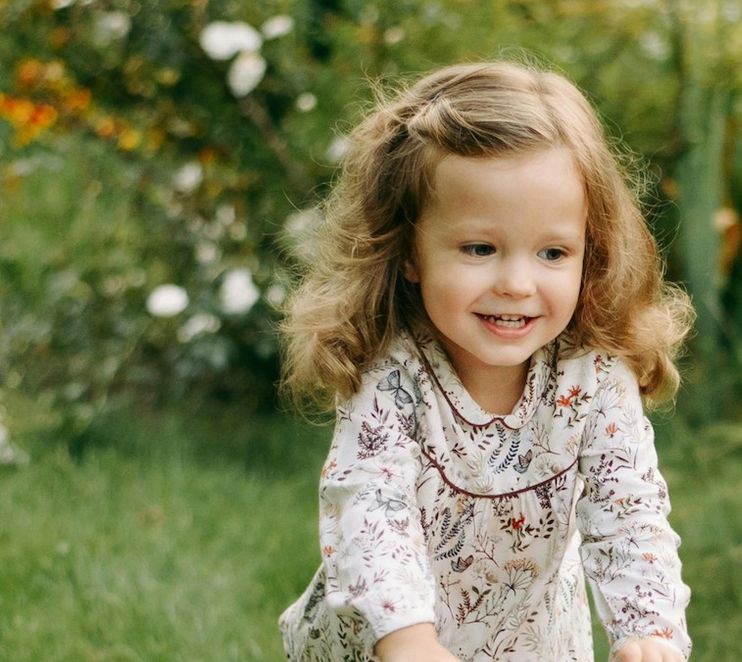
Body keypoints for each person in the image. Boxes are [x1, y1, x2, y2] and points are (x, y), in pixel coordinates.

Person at [278, 60, 694, 662]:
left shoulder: (594, 374)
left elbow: (629, 513)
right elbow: (371, 510)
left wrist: (649, 632)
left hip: (531, 641)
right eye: (480, 248)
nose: (518, 283)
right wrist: (407, 639)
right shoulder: (396, 376)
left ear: (590, 252)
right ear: (409, 251)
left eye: (553, 252)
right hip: (388, 643)